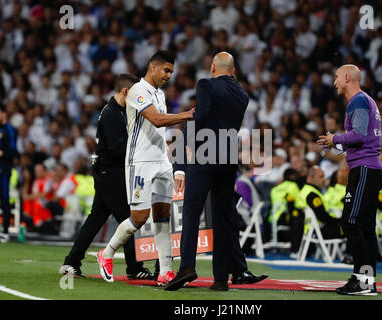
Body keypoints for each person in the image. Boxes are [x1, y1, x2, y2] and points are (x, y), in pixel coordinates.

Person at [165, 52, 267, 292]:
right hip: (229, 159)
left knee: (192, 211)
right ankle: (221, 279)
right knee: (223, 217)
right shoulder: (242, 95)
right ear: (233, 71)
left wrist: (189, 141)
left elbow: (200, 117)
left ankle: (187, 267)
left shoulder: (206, 85)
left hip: (205, 155)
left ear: (212, 67)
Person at [96, 51, 194, 284]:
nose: (169, 75)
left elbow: (161, 126)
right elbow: (157, 120)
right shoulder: (137, 91)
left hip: (161, 162)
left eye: (171, 71)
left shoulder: (159, 94)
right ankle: (106, 253)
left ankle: (165, 271)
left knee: (162, 217)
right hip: (140, 163)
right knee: (139, 217)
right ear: (152, 67)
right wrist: (189, 114)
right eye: (166, 70)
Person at [60, 74, 152, 279]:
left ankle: (71, 262)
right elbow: (118, 148)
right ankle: (134, 268)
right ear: (126, 92)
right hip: (110, 172)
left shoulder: (117, 111)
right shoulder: (112, 114)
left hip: (108, 172)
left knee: (96, 219)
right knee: (131, 218)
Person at [318, 64, 382, 296]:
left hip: (364, 169)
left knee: (351, 222)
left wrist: (334, 138)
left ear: (347, 77)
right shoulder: (366, 100)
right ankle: (366, 282)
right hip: (369, 168)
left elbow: (359, 134)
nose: (334, 82)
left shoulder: (357, 101)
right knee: (365, 227)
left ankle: (363, 281)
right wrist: (335, 142)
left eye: (336, 77)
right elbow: (362, 136)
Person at [0, 101, 14, 243]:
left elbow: (12, 151)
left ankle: (5, 231)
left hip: (3, 170)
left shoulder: (8, 130)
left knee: (4, 200)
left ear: (3, 114)